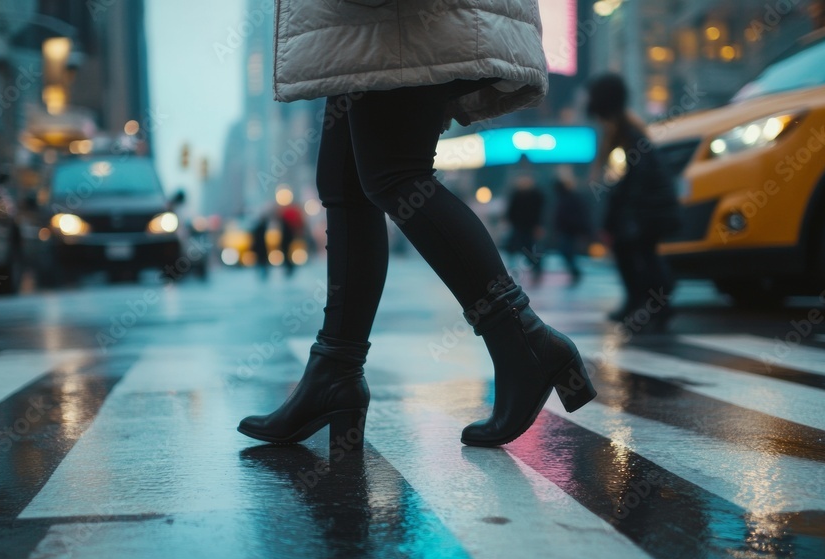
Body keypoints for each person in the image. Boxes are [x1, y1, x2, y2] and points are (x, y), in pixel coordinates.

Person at [238, 0, 597, 449]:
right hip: (364, 22)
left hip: (397, 17)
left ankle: (523, 339)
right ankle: (336, 372)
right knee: (345, 188)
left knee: (396, 173)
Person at [585, 73, 679, 331]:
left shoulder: (630, 135)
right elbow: (623, 184)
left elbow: (632, 183)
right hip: (645, 209)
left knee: (643, 254)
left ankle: (656, 306)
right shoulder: (625, 132)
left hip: (650, 210)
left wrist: (616, 217)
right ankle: (641, 303)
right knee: (632, 253)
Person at [504, 176, 546, 286]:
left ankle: (535, 268)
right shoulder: (518, 195)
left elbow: (540, 212)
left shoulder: (535, 196)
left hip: (529, 227)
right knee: (516, 248)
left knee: (528, 248)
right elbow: (511, 210)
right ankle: (513, 271)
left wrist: (539, 225)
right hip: (519, 226)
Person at [552, 169, 590, 287]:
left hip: (570, 229)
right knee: (566, 251)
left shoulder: (570, 197)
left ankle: (575, 271)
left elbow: (578, 214)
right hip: (568, 229)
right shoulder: (565, 197)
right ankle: (574, 270)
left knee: (566, 250)